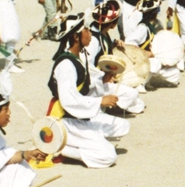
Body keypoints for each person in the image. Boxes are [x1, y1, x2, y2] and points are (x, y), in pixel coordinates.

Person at [46, 13, 127, 168]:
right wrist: (100, 101)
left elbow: (87, 87)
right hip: (66, 118)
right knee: (108, 156)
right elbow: (69, 100)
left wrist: (106, 80)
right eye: (86, 31)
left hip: (81, 114)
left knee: (123, 126)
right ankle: (60, 147)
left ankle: (90, 139)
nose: (90, 33)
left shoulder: (78, 58)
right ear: (76, 37)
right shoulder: (65, 65)